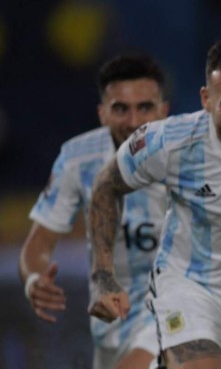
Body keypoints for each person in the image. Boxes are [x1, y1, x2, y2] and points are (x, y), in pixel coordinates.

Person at [88, 36, 221, 369]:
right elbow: (105, 186)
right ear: (206, 99)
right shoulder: (170, 142)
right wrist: (103, 277)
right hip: (191, 290)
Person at [19, 54, 170, 368]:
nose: (132, 122)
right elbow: (39, 243)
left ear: (163, 111)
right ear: (102, 114)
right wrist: (34, 279)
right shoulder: (78, 157)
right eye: (120, 109)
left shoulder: (188, 157)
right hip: (110, 325)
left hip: (173, 311)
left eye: (144, 108)